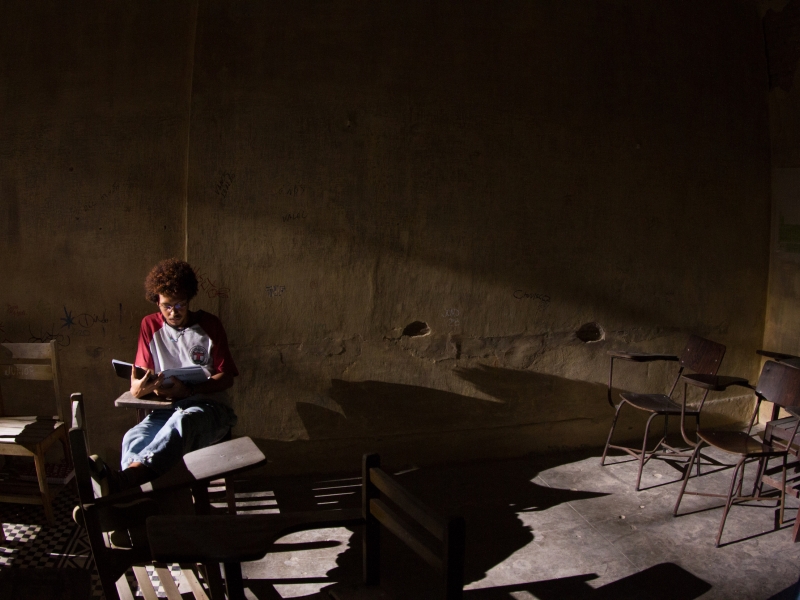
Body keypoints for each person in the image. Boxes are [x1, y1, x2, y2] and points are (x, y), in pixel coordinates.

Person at [91, 258, 238, 494]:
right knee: (134, 436)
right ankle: (134, 495)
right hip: (167, 409)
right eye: (166, 306)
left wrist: (190, 391)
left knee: (182, 422)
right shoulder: (149, 326)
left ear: (188, 300)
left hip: (208, 409)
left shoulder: (210, 325)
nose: (174, 312)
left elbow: (227, 378)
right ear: (156, 302)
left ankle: (125, 484)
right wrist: (141, 389)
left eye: (180, 305)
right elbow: (137, 382)